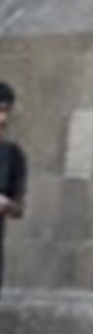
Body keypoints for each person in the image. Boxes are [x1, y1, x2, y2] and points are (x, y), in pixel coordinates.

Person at [0, 81, 23, 294]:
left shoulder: (12, 155)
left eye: (6, 111)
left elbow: (19, 208)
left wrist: (7, 205)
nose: (3, 119)